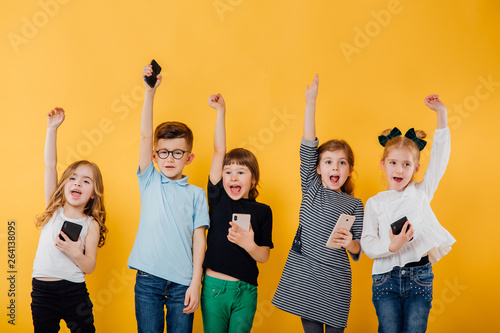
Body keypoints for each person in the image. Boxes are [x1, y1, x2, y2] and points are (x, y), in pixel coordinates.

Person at [272, 74, 364, 333]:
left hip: (336, 278)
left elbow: (358, 249)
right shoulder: (311, 187)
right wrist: (310, 101)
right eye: (328, 161)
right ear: (318, 168)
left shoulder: (355, 204)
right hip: (306, 274)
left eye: (342, 162)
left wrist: (350, 243)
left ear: (349, 170)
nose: (335, 166)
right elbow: (308, 145)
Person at [360, 94, 456, 333]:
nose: (399, 169)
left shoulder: (420, 192)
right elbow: (367, 243)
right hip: (385, 279)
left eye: (406, 164)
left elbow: (440, 161)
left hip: (419, 276)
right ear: (383, 164)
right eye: (393, 163)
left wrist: (441, 115)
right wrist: (392, 246)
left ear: (416, 168)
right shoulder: (375, 202)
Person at [127, 64, 210, 333]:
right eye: (163, 152)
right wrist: (149, 92)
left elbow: (200, 241)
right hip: (148, 279)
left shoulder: (196, 194)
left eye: (177, 153)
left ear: (189, 157)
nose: (170, 158)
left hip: (183, 282)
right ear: (154, 156)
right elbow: (143, 137)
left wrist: (195, 283)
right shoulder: (149, 180)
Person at [200, 93, 274, 333]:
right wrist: (221, 111)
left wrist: (249, 244)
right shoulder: (218, 198)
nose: (232, 176)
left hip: (247, 291)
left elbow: (263, 256)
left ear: (253, 180)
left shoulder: (263, 211)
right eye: (228, 172)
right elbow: (219, 150)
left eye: (241, 172)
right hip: (214, 289)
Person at [31, 107, 108, 333]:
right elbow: (50, 165)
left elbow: (90, 266)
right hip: (42, 291)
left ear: (93, 193)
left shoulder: (91, 224)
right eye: (73, 178)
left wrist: (76, 252)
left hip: (74, 292)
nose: (77, 183)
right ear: (64, 185)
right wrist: (52, 129)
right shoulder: (53, 210)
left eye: (86, 181)